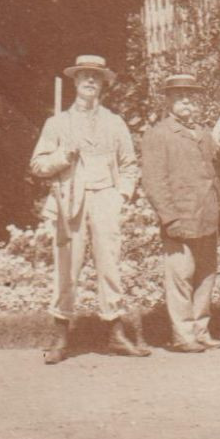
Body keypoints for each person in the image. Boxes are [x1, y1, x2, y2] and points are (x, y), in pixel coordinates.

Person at [29, 54, 151, 364]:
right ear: (75, 81)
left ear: (103, 84)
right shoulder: (57, 123)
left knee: (110, 265)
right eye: (84, 75)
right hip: (70, 200)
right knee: (67, 268)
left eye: (96, 76)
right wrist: (61, 157)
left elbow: (129, 165)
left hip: (105, 199)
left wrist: (120, 196)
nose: (90, 81)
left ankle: (116, 334)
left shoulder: (115, 122)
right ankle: (59, 338)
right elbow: (37, 165)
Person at [141, 73, 220, 353]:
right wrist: (169, 218)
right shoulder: (159, 134)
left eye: (190, 96)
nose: (186, 101)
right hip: (180, 217)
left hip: (208, 214)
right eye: (179, 96)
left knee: (206, 275)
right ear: (168, 101)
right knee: (181, 275)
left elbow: (217, 170)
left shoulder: (204, 134)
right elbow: (153, 181)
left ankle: (200, 330)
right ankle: (182, 335)